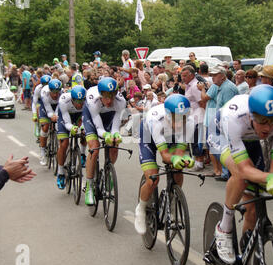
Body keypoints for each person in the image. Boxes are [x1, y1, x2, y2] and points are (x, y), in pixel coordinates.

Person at [210, 85, 273, 264]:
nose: (268, 127)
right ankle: (224, 228)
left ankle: (245, 256)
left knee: (252, 208)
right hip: (222, 136)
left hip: (250, 140)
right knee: (241, 176)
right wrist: (268, 178)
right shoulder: (234, 117)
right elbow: (244, 169)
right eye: (263, 121)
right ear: (252, 115)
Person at [134, 94, 195, 235]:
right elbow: (165, 156)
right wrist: (174, 159)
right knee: (152, 178)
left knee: (178, 168)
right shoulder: (157, 120)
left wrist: (183, 159)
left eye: (183, 118)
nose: (180, 123)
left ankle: (173, 202)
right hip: (149, 137)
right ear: (168, 115)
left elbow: (178, 153)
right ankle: (141, 209)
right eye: (176, 118)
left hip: (170, 138)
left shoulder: (190, 122)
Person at [83, 77, 126, 206]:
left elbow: (115, 127)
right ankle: (89, 186)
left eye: (112, 97)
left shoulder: (120, 101)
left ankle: (109, 172)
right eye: (106, 97)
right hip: (92, 117)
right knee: (94, 148)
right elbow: (99, 128)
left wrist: (114, 135)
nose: (109, 100)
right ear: (101, 95)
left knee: (114, 144)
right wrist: (105, 134)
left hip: (109, 117)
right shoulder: (93, 100)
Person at [201, 65, 238, 181]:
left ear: (222, 76)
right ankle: (226, 172)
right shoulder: (221, 87)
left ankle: (229, 173)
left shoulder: (227, 88)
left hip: (226, 124)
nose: (212, 78)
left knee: (225, 148)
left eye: (215, 75)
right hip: (220, 122)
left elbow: (229, 109)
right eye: (211, 75)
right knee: (220, 147)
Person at [55, 85, 88, 190]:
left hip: (79, 116)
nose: (79, 104)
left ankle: (82, 153)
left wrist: (82, 128)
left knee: (84, 134)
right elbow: (67, 122)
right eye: (77, 101)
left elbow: (86, 118)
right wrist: (72, 128)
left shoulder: (87, 101)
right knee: (64, 143)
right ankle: (60, 173)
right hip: (65, 117)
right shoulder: (64, 100)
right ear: (72, 99)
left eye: (81, 101)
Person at [180, 65, 206, 171]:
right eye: (182, 76)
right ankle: (197, 161)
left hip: (198, 117)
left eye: (185, 76)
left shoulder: (195, 86)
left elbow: (202, 102)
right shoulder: (188, 85)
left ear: (191, 75)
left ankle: (199, 163)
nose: (183, 78)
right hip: (192, 117)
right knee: (194, 140)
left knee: (197, 141)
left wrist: (201, 117)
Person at [38, 79, 63, 166]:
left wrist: (56, 116)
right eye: (53, 92)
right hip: (45, 107)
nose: (55, 94)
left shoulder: (62, 93)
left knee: (59, 126)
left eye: (57, 92)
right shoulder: (44, 92)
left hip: (57, 106)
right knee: (45, 127)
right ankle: (42, 151)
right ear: (50, 90)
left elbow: (60, 106)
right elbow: (48, 110)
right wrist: (51, 116)